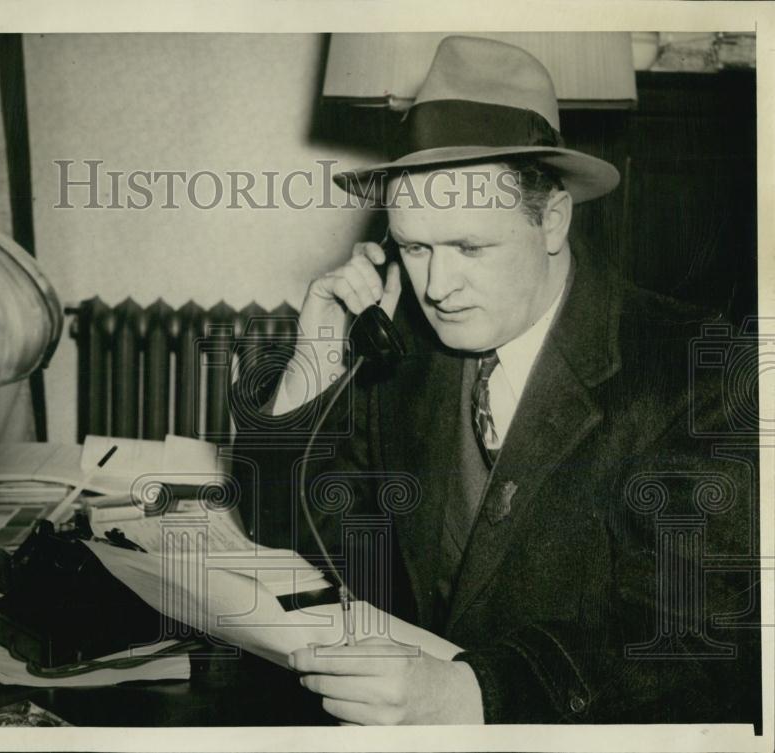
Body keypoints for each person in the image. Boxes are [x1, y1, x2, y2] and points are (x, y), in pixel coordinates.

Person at [231, 36, 759, 725]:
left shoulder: (693, 369)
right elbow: (289, 534)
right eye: (415, 247)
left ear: (553, 221)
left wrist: (474, 693)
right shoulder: (404, 354)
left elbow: (698, 645)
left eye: (470, 247)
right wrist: (317, 357)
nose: (437, 287)